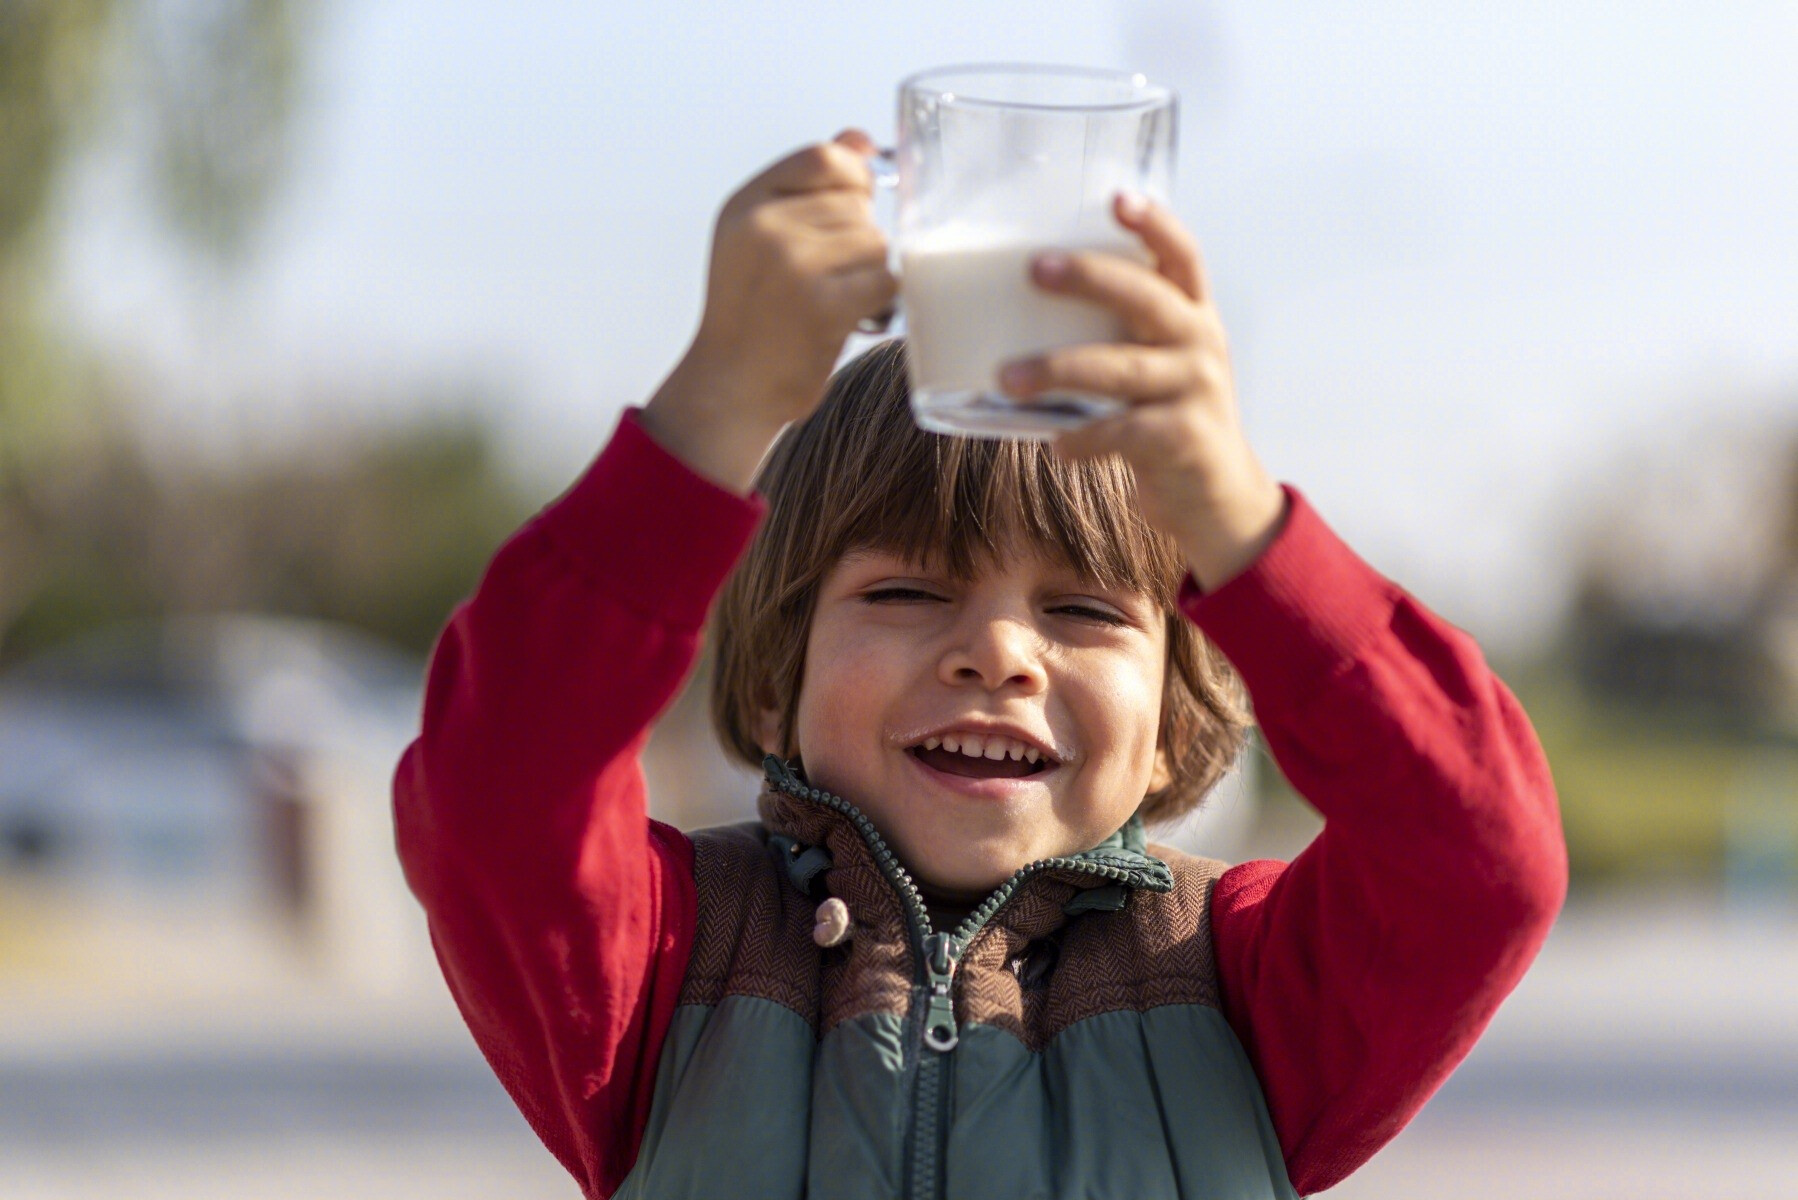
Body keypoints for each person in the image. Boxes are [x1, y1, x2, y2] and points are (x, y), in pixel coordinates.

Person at [393, 129, 1567, 1199]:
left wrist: (1234, 514)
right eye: (905, 592)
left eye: (1084, 611)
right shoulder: (665, 959)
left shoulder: (1238, 981)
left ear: (1170, 709)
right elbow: (493, 797)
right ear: (771, 677)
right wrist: (717, 406)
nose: (996, 652)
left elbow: (1479, 861)